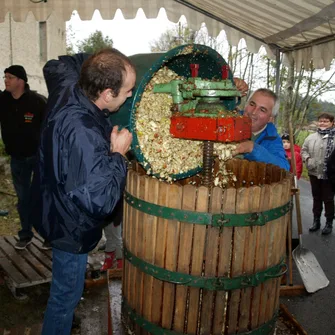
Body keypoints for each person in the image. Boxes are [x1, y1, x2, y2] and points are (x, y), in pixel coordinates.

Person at [30, 48, 135, 335]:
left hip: (51, 199)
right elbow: (100, 201)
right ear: (107, 93)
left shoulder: (69, 86)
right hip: (69, 226)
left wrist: (105, 59)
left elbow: (57, 64)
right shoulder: (83, 132)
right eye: (127, 91)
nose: (129, 97)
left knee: (64, 293)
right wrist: (117, 156)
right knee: (66, 297)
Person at [0, 65, 47, 249]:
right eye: (5, 77)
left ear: (21, 80)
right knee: (23, 198)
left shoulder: (37, 102)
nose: (6, 80)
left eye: (10, 77)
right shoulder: (3, 101)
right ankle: (25, 234)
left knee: (42, 197)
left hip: (37, 158)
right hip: (17, 159)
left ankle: (48, 236)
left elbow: (49, 128)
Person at [233, 88, 290, 171]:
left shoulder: (272, 139)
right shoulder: (229, 120)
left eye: (262, 110)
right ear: (246, 104)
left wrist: (254, 149)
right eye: (252, 104)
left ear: (270, 119)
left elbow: (284, 168)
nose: (254, 112)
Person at [301, 113, 335, 235]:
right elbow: (303, 150)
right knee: (316, 198)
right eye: (320, 121)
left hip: (329, 175)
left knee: (328, 199)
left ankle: (329, 223)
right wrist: (308, 159)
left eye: (326, 121)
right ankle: (316, 221)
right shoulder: (311, 137)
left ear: (332, 123)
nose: (322, 123)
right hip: (314, 172)